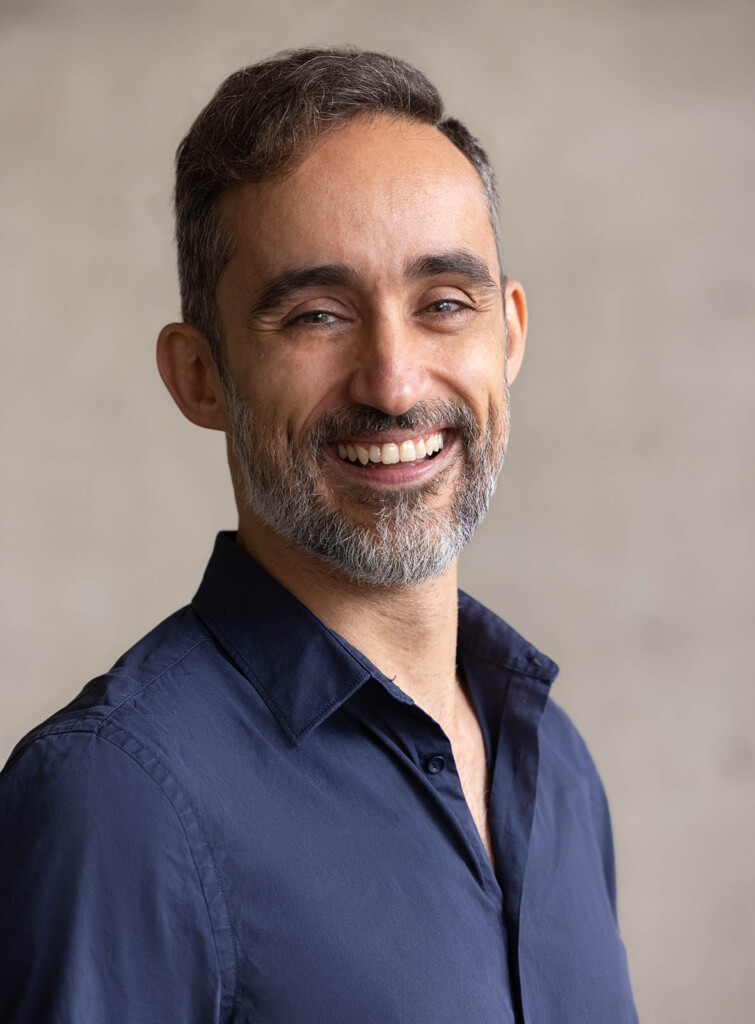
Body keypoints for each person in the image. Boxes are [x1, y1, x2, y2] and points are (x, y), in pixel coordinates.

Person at [0, 47, 637, 1023]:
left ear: (506, 334)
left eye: (443, 304)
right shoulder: (114, 802)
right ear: (198, 376)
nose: (392, 382)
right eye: (315, 315)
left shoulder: (551, 760)